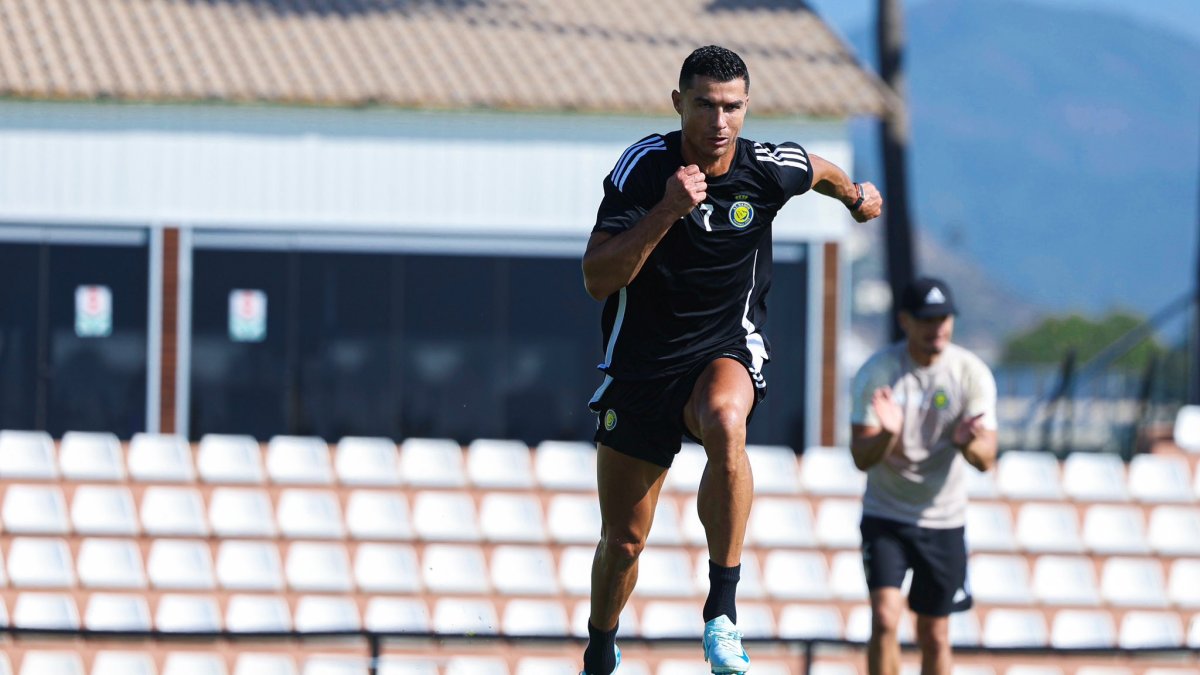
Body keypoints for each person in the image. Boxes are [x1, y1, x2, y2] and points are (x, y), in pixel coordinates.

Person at [579, 45, 883, 675]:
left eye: (732, 107)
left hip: (724, 346)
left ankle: (721, 613)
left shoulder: (768, 168)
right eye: (705, 105)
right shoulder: (642, 168)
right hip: (642, 367)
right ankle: (601, 649)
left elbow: (820, 170)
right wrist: (668, 209)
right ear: (677, 104)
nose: (720, 121)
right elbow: (597, 280)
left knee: (726, 419)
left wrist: (854, 196)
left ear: (747, 107)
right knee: (625, 542)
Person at [850, 277, 999, 675]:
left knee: (934, 634)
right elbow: (861, 458)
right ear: (905, 321)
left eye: (944, 318)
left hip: (943, 520)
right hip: (886, 516)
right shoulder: (879, 372)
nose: (938, 328)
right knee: (884, 619)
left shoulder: (971, 373)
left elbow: (986, 458)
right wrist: (887, 434)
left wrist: (966, 442)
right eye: (927, 319)